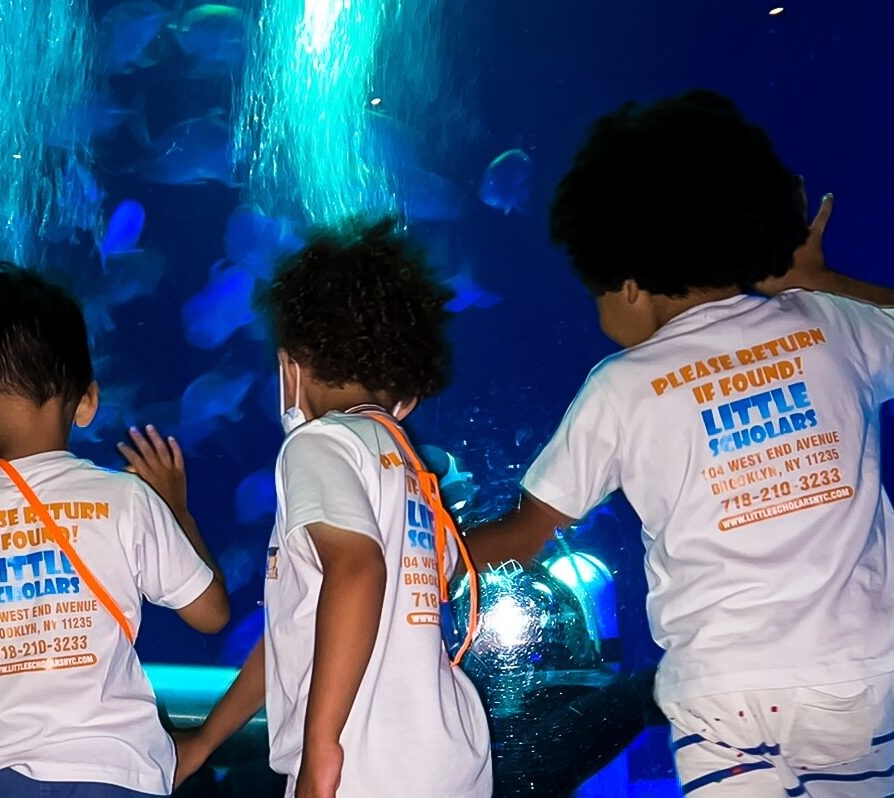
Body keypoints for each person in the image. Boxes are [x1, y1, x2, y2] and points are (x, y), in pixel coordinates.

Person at [466, 90, 894, 796]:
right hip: (863, 673)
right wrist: (822, 279)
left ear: (629, 284)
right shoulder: (827, 323)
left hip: (721, 690)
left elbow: (528, 531)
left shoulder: (624, 385)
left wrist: (417, 554)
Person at [173, 220, 492, 798]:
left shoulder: (317, 444)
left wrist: (322, 748)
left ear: (291, 365)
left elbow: (357, 570)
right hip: (445, 758)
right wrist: (204, 742)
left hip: (366, 765)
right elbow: (299, 631)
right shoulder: (410, 467)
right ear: (406, 388)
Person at [0, 262, 230, 798]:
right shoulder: (127, 499)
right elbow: (211, 615)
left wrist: (6, 650)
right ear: (88, 400)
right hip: (120, 773)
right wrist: (177, 511)